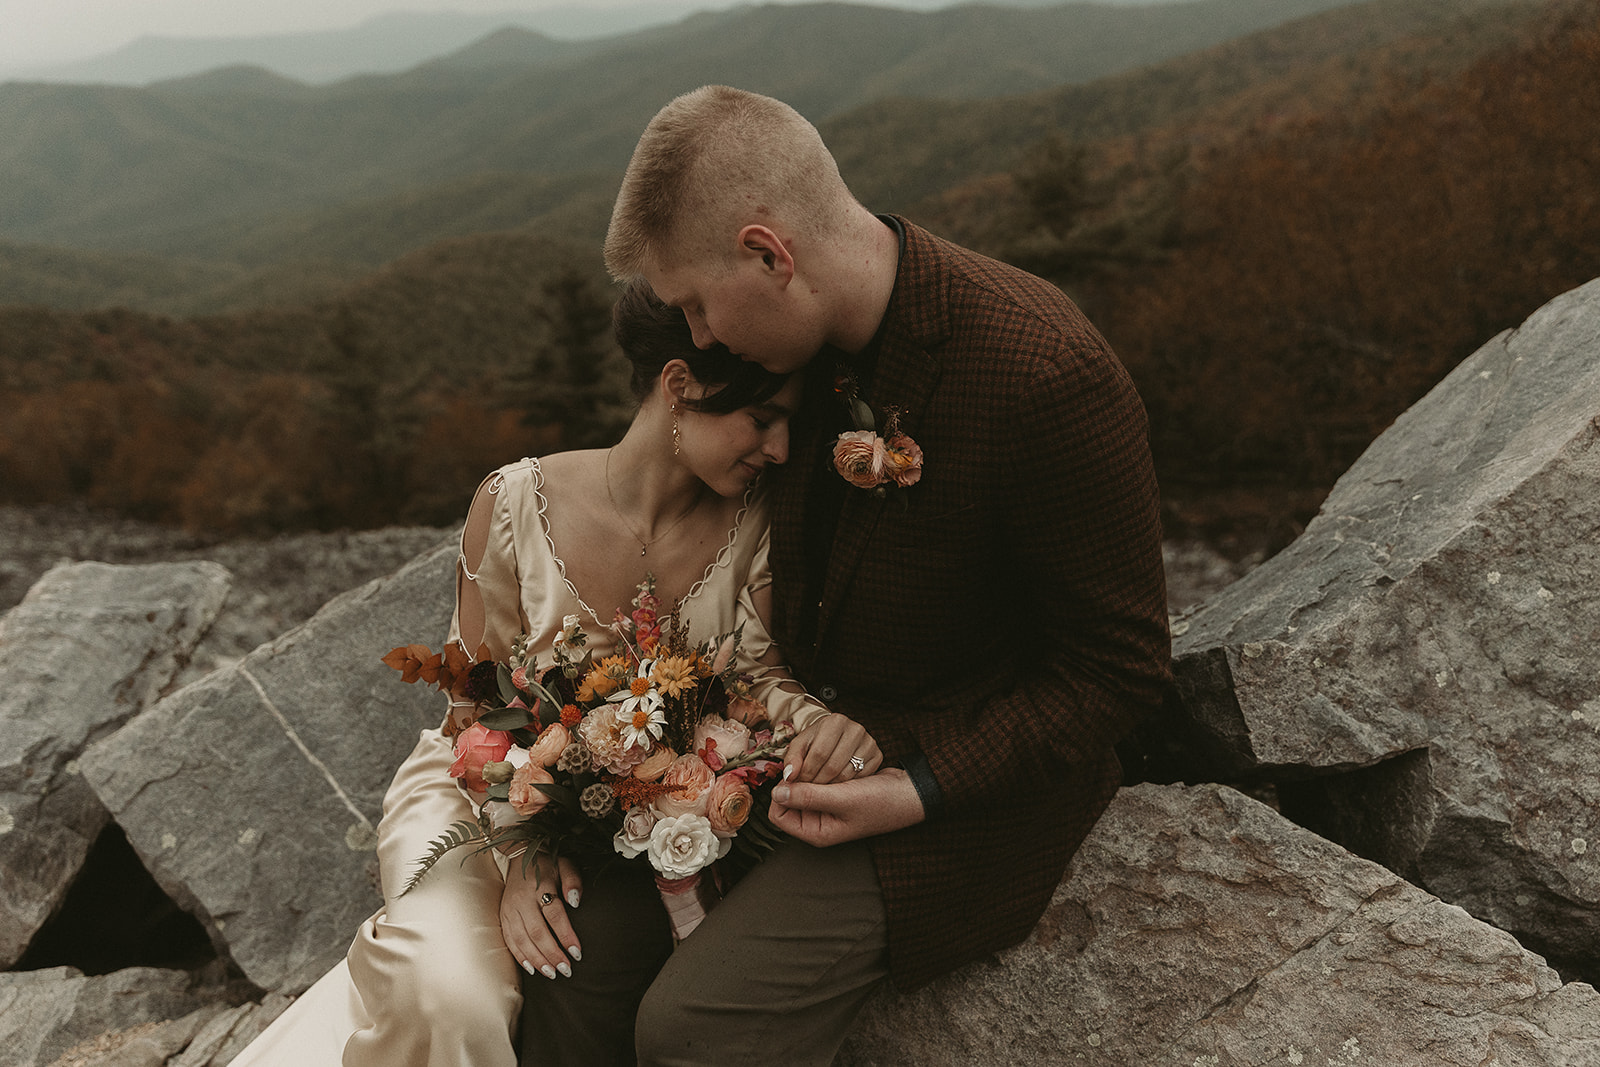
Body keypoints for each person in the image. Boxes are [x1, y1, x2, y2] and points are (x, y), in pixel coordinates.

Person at [592, 85, 1173, 1063]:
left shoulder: (1045, 372)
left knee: (694, 1025)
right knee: (581, 949)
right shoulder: (797, 358)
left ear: (769, 254)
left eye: (697, 302)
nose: (697, 339)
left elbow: (1117, 671)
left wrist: (922, 786)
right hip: (792, 742)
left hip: (961, 791)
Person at [229, 279, 883, 1066]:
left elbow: (757, 671)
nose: (778, 448)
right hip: (480, 794)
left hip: (637, 810)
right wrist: (523, 851)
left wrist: (821, 727)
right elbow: (472, 709)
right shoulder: (511, 503)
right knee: (448, 992)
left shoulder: (759, 522)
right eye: (762, 417)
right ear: (679, 386)